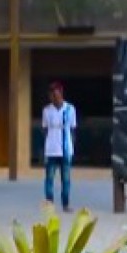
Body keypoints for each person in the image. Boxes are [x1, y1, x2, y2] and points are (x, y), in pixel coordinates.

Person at [42, 82, 77, 212]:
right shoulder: (47, 110)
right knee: (49, 178)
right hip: (51, 150)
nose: (53, 97)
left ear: (61, 94)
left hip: (66, 149)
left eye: (55, 94)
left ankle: (65, 204)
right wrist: (49, 142)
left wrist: (71, 145)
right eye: (51, 95)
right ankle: (49, 204)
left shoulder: (70, 109)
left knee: (66, 179)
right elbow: (45, 129)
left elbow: (73, 129)